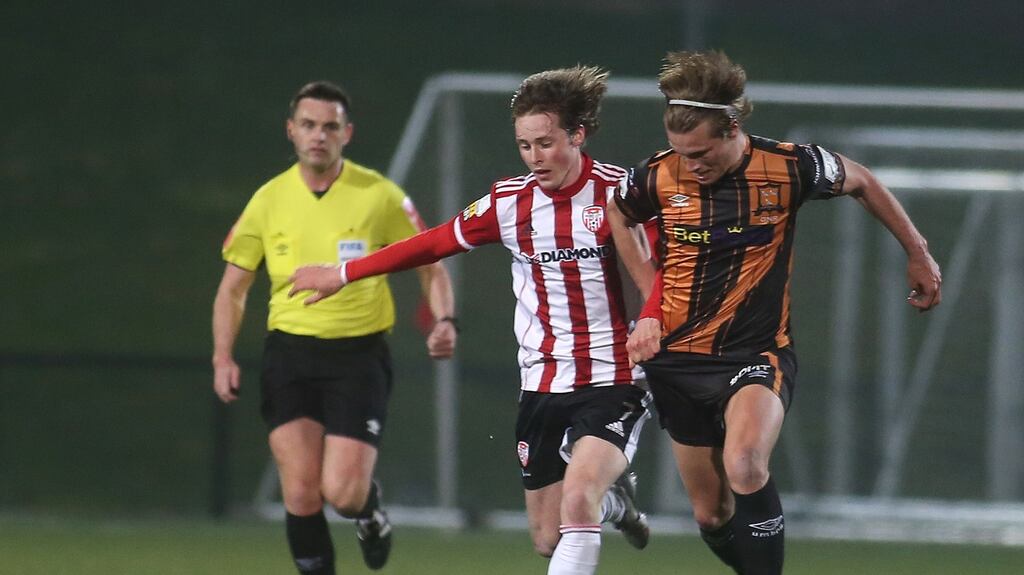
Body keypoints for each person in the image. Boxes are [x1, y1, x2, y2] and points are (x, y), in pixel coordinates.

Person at [290, 66, 656, 575]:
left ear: (578, 134)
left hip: (614, 376)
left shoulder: (622, 195)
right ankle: (618, 504)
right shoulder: (509, 202)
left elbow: (662, 273)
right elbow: (435, 241)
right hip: (543, 380)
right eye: (524, 145)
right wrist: (346, 273)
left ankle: (597, 496)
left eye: (546, 143)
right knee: (549, 538)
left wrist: (653, 320)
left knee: (577, 500)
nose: (534, 157)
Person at [616, 51, 942, 574]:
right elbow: (619, 213)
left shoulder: (790, 166)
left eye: (701, 152)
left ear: (732, 127)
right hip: (676, 361)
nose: (691, 164)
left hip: (756, 353)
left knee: (744, 464)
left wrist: (918, 252)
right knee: (711, 512)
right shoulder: (657, 177)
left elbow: (861, 180)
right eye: (681, 152)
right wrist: (650, 296)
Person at [212, 80, 458, 574]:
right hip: (290, 354)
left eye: (329, 126)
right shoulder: (269, 199)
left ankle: (369, 511)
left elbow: (432, 263)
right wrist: (223, 355)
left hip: (358, 355)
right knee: (301, 491)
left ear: (347, 133)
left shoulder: (379, 195)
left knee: (342, 495)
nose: (318, 136)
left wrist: (444, 318)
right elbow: (232, 289)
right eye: (308, 125)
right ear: (291, 131)